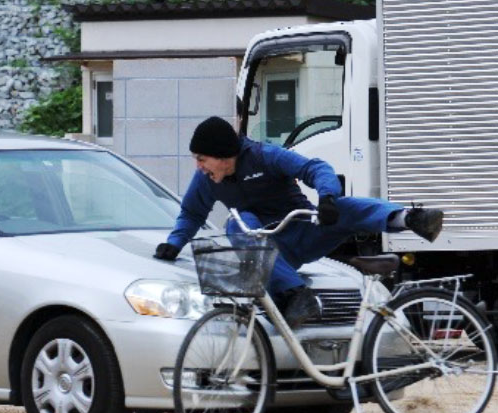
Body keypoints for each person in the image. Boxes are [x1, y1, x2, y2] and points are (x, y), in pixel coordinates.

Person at [154, 116, 444, 328]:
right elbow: (192, 214)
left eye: (201, 158)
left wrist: (328, 197)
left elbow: (314, 168)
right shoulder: (206, 180)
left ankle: (410, 218)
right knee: (239, 221)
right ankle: (296, 294)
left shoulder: (264, 156)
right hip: (267, 248)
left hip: (302, 231)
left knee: (344, 208)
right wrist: (174, 242)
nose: (198, 166)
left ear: (222, 155)